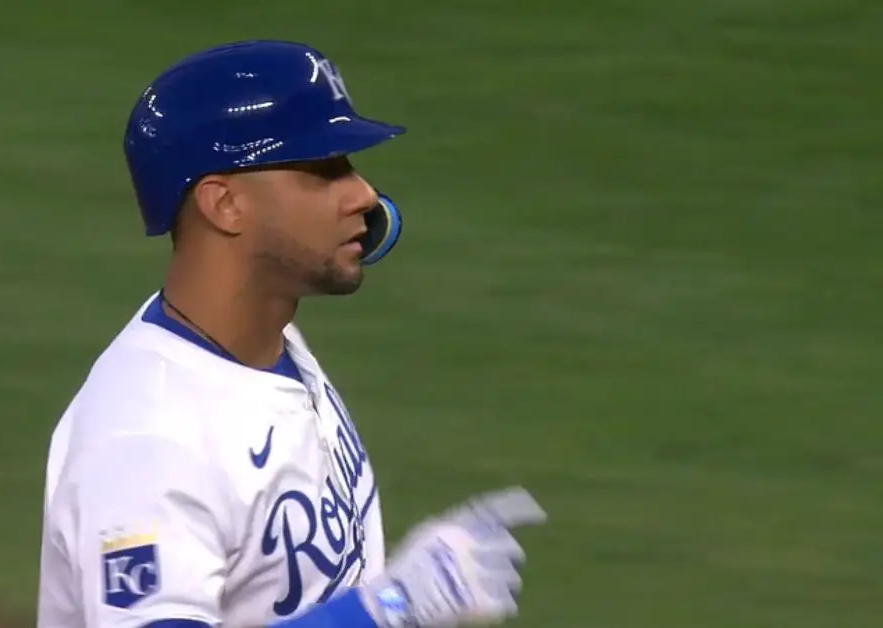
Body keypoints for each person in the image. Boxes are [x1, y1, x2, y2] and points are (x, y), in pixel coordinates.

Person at [36, 39, 546, 628]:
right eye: (323, 170)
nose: (364, 194)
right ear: (224, 204)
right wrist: (391, 608)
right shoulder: (147, 444)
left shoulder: (267, 340)